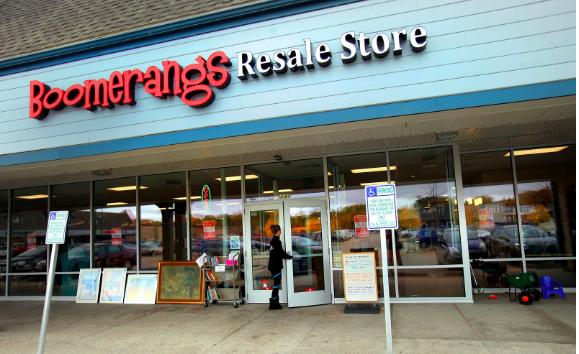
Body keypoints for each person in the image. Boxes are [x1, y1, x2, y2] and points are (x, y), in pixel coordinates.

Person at [267, 224, 293, 310]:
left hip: (273, 265)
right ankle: (273, 303)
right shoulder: (276, 241)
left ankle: (274, 303)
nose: (281, 231)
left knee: (276, 284)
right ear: (278, 231)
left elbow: (278, 252)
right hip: (276, 266)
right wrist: (290, 257)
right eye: (280, 230)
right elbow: (280, 253)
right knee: (276, 284)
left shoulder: (273, 241)